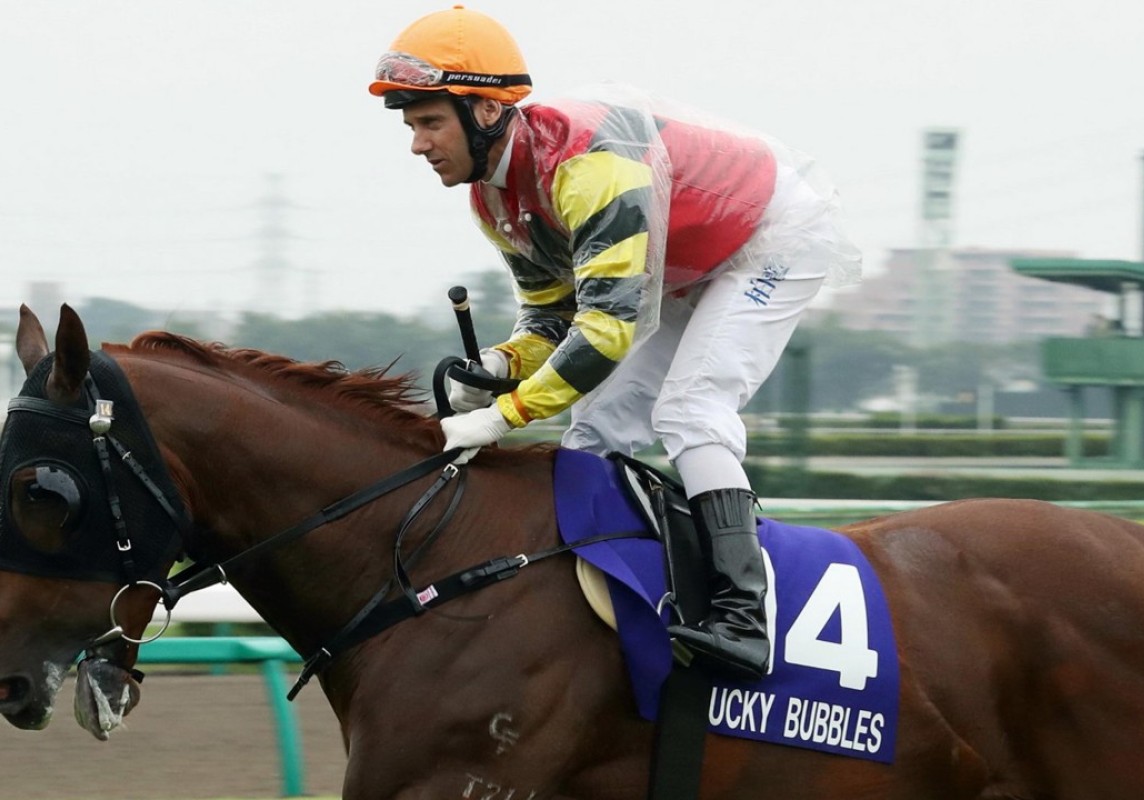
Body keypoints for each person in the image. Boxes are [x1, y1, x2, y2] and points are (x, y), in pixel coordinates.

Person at [368, 5, 861, 681]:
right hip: (683, 261)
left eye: (429, 122)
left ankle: (745, 617)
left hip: (768, 237)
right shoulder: (493, 199)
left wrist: (504, 415)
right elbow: (551, 320)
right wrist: (495, 368)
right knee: (593, 430)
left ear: (485, 112)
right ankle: (591, 606)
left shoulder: (587, 166)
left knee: (690, 410)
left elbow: (605, 330)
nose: (417, 144)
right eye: (410, 126)